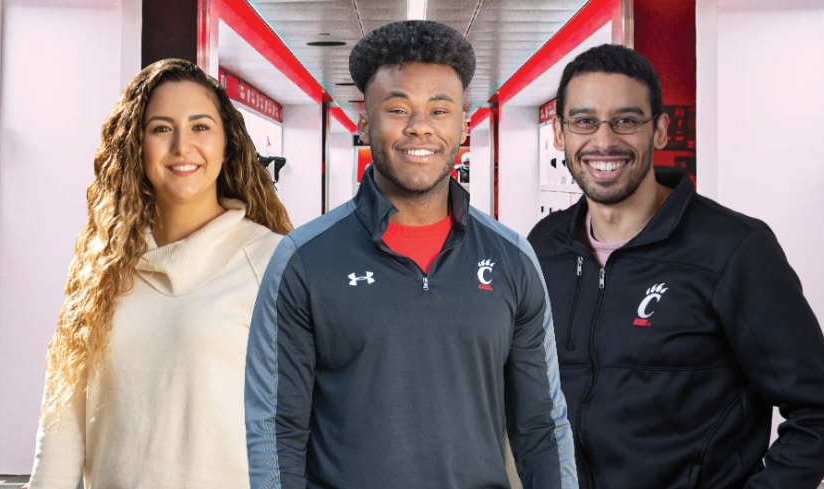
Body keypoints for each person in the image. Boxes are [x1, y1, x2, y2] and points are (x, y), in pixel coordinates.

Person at [245, 20, 577, 489]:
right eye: (398, 109)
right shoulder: (303, 260)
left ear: (463, 123)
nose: (420, 127)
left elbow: (541, 425)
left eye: (439, 110)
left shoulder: (513, 259)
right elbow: (276, 429)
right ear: (365, 121)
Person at [526, 44, 824, 489]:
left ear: (659, 131)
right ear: (560, 134)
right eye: (584, 121)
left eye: (626, 120)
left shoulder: (733, 250)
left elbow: (820, 412)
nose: (603, 141)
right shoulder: (544, 247)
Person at [29, 58, 293, 488]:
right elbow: (62, 429)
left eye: (200, 127)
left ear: (227, 145)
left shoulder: (273, 263)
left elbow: (312, 423)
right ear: (136, 145)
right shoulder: (100, 270)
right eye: (161, 128)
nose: (181, 146)